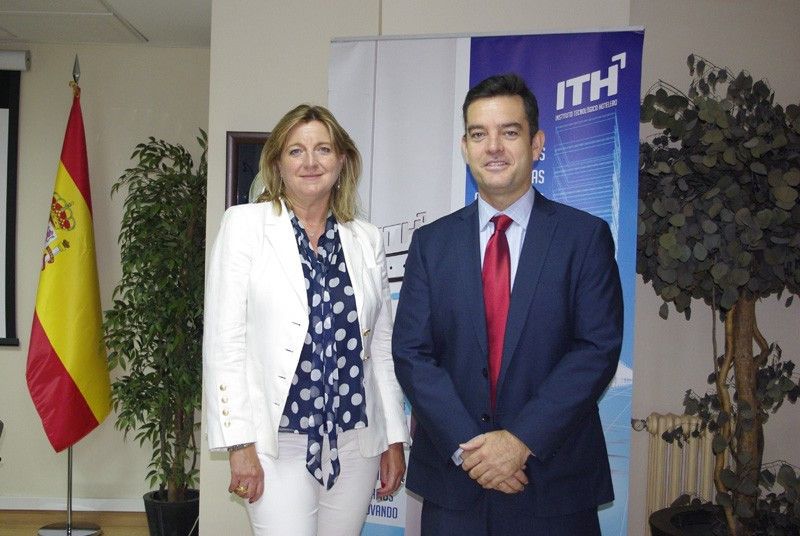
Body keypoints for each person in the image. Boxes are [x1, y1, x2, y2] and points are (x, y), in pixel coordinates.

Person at [392, 73, 623, 535]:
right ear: (465, 147)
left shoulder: (584, 237)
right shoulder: (431, 244)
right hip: (456, 485)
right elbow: (412, 354)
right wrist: (472, 451)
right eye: (479, 134)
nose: (493, 146)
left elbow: (596, 349)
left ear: (537, 144)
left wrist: (520, 442)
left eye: (509, 132)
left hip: (552, 482)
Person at [203, 104, 409, 535]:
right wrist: (239, 444)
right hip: (276, 443)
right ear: (278, 163)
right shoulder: (244, 226)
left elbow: (381, 348)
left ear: (342, 160)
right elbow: (225, 344)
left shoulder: (366, 238)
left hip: (356, 440)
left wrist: (393, 437)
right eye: (296, 151)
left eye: (323, 149)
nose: (310, 162)